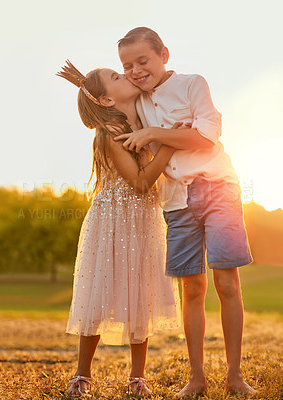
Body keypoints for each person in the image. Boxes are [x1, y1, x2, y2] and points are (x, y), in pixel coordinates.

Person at [115, 27, 256, 397]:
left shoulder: (193, 84)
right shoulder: (138, 103)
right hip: (176, 201)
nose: (135, 70)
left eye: (142, 61)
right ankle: (197, 377)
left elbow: (205, 136)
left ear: (164, 53)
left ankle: (235, 375)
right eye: (127, 65)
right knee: (192, 288)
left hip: (218, 189)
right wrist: (166, 132)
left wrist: (152, 134)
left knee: (227, 283)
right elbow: (107, 96)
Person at [56, 60, 180, 398]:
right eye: (116, 76)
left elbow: (118, 93)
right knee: (99, 293)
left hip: (143, 219)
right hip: (114, 218)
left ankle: (137, 377)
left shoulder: (143, 112)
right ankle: (82, 374)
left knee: (143, 291)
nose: (125, 75)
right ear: (107, 101)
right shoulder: (112, 133)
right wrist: (168, 142)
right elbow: (140, 182)